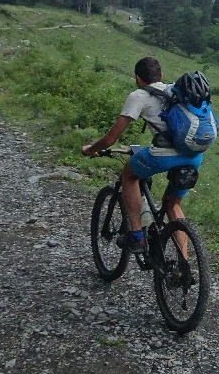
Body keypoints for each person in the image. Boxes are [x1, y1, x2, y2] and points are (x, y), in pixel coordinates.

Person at [81, 56, 203, 252]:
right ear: (161, 76)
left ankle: (137, 237)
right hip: (194, 155)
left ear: (138, 78)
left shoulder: (138, 96)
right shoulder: (175, 90)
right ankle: (183, 266)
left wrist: (91, 150)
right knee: (173, 205)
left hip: (164, 155)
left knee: (129, 175)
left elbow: (111, 138)